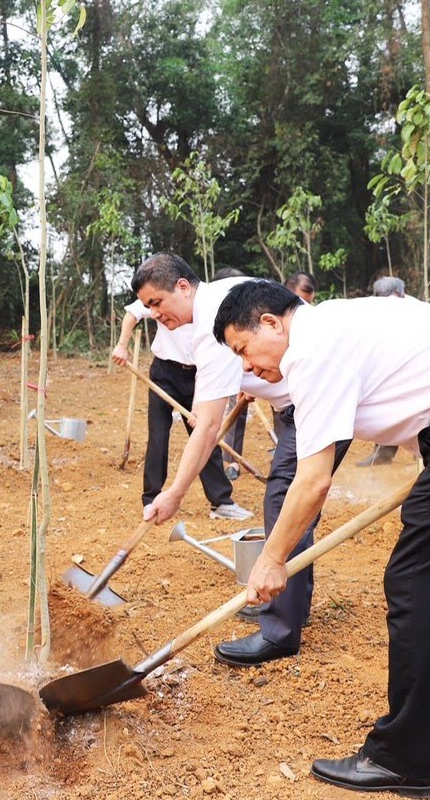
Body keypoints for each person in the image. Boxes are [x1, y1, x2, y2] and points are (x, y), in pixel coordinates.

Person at [214, 279, 430, 799]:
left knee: (420, 587)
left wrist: (271, 559)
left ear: (270, 322)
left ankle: (402, 759)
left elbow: (312, 479)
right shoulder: (347, 322)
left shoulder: (312, 345)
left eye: (242, 349)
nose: (246, 366)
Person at [132, 255, 348, 665]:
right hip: (298, 402)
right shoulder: (225, 298)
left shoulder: (213, 325)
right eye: (148, 308)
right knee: (288, 504)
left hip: (311, 404)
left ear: (182, 286)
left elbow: (208, 426)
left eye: (157, 302)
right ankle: (288, 604)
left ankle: (280, 631)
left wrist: (175, 492)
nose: (155, 314)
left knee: (284, 501)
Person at [112, 281, 249, 521]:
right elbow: (132, 313)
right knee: (158, 436)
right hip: (165, 373)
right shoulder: (162, 302)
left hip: (199, 374)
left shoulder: (209, 309)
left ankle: (220, 501)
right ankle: (152, 499)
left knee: (205, 434)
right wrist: (122, 345)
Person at [357, 276, 407, 467]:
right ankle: (383, 454)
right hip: (386, 373)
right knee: (387, 409)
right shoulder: (372, 317)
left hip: (413, 372)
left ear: (402, 295)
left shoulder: (415, 313)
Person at [212, 267, 251, 481]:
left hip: (256, 369)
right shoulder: (212, 317)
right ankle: (231, 461)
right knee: (234, 410)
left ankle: (287, 452)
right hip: (228, 372)